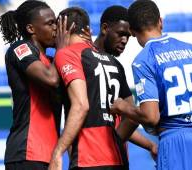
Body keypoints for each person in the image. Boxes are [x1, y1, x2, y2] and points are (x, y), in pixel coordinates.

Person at [110, 0, 192, 170]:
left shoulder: (144, 60)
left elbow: (150, 116)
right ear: (160, 21)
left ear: (132, 32)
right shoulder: (191, 50)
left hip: (176, 142)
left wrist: (122, 107)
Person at [49, 7, 133, 170]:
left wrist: (58, 151)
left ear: (63, 28)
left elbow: (81, 106)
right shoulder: (114, 62)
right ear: (86, 29)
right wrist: (115, 140)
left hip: (88, 158)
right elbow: (132, 115)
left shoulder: (67, 54)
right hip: (117, 159)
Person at [0, 0, 62, 169]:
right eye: (50, 24)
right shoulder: (21, 48)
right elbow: (51, 80)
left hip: (49, 154)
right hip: (27, 151)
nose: (56, 28)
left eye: (56, 22)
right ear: (31, 29)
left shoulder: (51, 62)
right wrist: (63, 48)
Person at [94, 5, 157, 159]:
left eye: (128, 36)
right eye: (121, 34)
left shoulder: (117, 66)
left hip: (103, 158)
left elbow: (131, 117)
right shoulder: (85, 60)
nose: (125, 41)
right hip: (97, 157)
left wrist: (150, 145)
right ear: (104, 28)